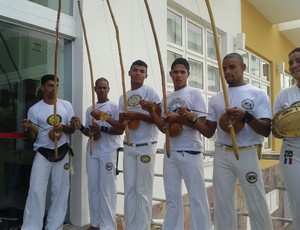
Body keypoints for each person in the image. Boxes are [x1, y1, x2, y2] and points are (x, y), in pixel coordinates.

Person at [187, 53, 273, 230]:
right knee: (222, 203)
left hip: (247, 152)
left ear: (243, 68)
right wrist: (193, 120)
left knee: (256, 201)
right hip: (222, 153)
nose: (227, 71)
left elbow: (265, 130)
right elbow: (210, 132)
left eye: (232, 67)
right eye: (224, 68)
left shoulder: (258, 94)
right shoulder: (217, 98)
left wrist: (245, 116)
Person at [141, 57, 212, 230]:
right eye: (175, 72)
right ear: (171, 74)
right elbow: (164, 128)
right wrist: (152, 112)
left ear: (188, 74)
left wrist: (181, 117)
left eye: (182, 72)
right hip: (170, 153)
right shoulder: (168, 97)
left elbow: (201, 124)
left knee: (197, 198)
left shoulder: (195, 93)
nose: (178, 75)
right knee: (172, 198)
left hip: (191, 151)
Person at [21, 74, 76, 230]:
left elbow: (72, 129)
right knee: (36, 190)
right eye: (51, 85)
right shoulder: (34, 109)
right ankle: (32, 227)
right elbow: (32, 138)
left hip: (63, 151)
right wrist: (29, 127)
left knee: (60, 192)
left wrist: (63, 128)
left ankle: (55, 227)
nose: (54, 89)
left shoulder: (66, 106)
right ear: (42, 87)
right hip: (43, 152)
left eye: (57, 85)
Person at [72, 77, 123, 230]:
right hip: (93, 151)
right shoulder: (90, 109)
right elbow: (90, 132)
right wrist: (80, 127)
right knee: (93, 188)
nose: (101, 90)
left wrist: (102, 128)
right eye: (98, 88)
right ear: (94, 89)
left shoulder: (114, 106)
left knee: (107, 189)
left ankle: (108, 226)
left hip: (109, 151)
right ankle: (95, 224)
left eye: (104, 88)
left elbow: (119, 130)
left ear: (108, 89)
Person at [118, 60, 161, 229]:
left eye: (142, 71)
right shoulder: (124, 97)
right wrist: (124, 119)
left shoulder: (150, 92)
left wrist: (138, 114)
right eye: (135, 70)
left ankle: (143, 227)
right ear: (129, 73)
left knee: (143, 190)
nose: (138, 73)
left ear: (146, 75)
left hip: (146, 146)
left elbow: (158, 119)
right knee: (129, 189)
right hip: (129, 145)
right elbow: (122, 125)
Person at [273, 47, 300, 229]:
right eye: (291, 62)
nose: (294, 65)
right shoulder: (284, 94)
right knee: (296, 201)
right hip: (292, 151)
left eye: (298, 60)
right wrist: (284, 124)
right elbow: (274, 131)